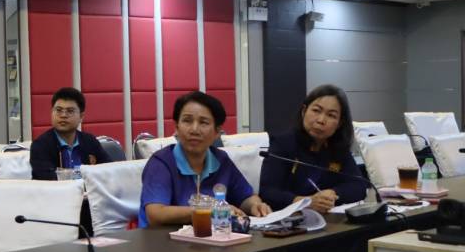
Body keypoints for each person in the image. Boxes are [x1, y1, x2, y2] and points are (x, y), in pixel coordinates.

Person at [139, 91, 272, 228]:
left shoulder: (221, 160)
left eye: (203, 122)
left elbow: (245, 197)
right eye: (187, 121)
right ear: (177, 127)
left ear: (217, 132)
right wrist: (208, 210)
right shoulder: (161, 163)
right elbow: (156, 214)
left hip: (210, 237)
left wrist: (256, 205)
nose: (194, 129)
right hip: (163, 239)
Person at [258, 84, 366, 213]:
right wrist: (305, 202)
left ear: (339, 123)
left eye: (331, 115)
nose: (321, 120)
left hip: (328, 219)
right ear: (304, 111)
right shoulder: (283, 144)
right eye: (316, 111)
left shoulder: (337, 148)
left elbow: (359, 185)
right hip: (289, 219)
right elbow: (268, 192)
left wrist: (333, 194)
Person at [30, 87, 111, 180]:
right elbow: (48, 180)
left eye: (70, 111)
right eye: (58, 110)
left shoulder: (90, 141)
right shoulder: (41, 146)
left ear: (81, 116)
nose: (63, 115)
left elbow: (109, 171)